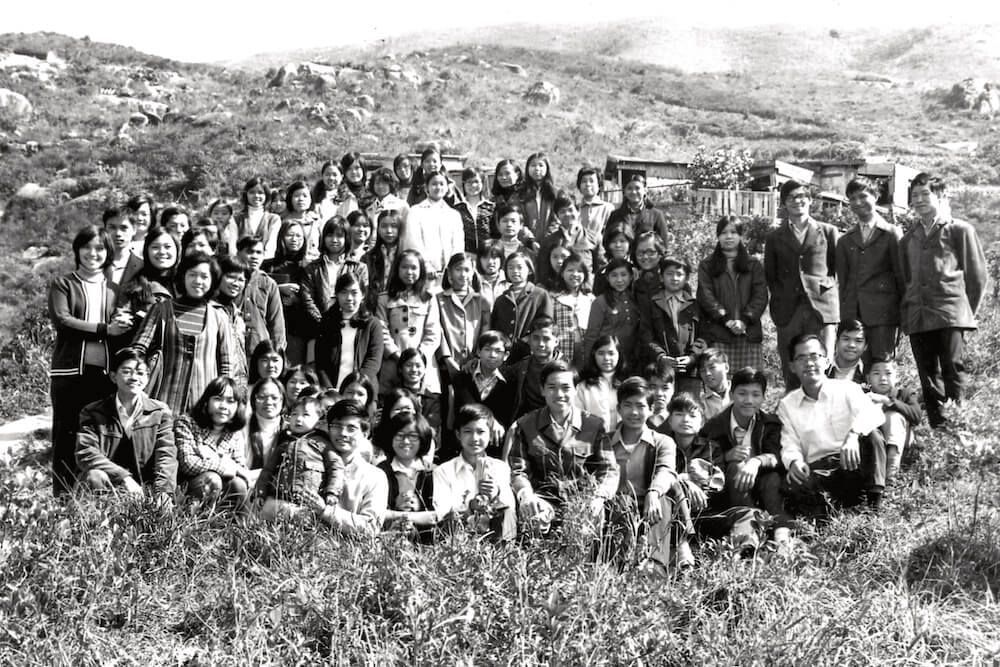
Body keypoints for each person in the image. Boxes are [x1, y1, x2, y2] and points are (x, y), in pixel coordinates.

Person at [899, 172, 989, 428]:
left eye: (925, 194)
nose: (918, 200)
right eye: (914, 195)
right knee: (928, 378)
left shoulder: (960, 230)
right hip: (919, 317)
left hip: (950, 315)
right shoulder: (908, 238)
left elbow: (977, 278)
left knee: (953, 373)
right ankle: (939, 431)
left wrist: (963, 314)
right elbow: (906, 279)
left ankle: (958, 432)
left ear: (940, 196)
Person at [48, 225, 123, 495]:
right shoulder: (63, 283)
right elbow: (64, 321)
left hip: (103, 376)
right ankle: (62, 499)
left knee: (98, 437)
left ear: (108, 252)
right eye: (87, 247)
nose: (93, 253)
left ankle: (96, 499)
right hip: (70, 374)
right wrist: (105, 328)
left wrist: (122, 323)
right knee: (66, 436)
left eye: (100, 248)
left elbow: (118, 327)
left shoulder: (114, 289)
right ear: (77, 250)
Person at [778, 334, 887, 516]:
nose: (809, 363)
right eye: (801, 358)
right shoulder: (787, 404)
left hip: (851, 463)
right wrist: (794, 461)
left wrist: (853, 435)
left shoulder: (847, 388)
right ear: (792, 367)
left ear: (827, 362)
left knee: (873, 436)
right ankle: (830, 515)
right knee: (790, 484)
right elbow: (789, 442)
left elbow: (874, 414)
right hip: (819, 470)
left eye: (814, 356)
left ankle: (874, 508)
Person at [505, 359, 620, 531]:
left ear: (575, 390)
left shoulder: (593, 425)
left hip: (583, 502)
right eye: (552, 387)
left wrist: (598, 498)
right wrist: (527, 495)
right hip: (541, 501)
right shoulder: (526, 425)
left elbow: (608, 469)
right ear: (542, 390)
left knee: (586, 527)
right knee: (534, 520)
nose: (559, 394)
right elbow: (518, 470)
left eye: (566, 388)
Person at [130, 252, 234, 417]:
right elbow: (137, 350)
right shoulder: (162, 309)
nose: (198, 281)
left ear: (213, 281)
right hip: (161, 403)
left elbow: (226, 366)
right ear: (182, 276)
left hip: (203, 406)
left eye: (204, 276)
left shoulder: (219, 317)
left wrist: (223, 401)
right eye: (192, 274)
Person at [764, 180, 840, 389]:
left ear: (810, 201)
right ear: (784, 204)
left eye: (801, 197)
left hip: (821, 310)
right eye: (791, 198)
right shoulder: (774, 237)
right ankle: (793, 419)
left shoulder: (829, 232)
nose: (797, 201)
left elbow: (835, 271)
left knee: (824, 368)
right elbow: (771, 275)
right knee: (793, 372)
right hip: (788, 312)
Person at [75, 348, 176, 502]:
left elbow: (166, 454)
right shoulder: (93, 412)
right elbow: (86, 453)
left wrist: (163, 492)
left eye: (140, 373)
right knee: (95, 475)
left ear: (147, 378)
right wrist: (124, 477)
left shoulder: (159, 412)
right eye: (127, 371)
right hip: (108, 486)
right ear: (114, 377)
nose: (134, 377)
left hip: (144, 490)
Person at [699, 367, 788, 541]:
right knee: (736, 466)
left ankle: (780, 530)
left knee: (772, 478)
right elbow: (703, 459)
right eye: (742, 393)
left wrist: (756, 462)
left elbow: (777, 456)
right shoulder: (714, 426)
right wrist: (725, 457)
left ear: (763, 397)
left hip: (764, 483)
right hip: (730, 491)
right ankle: (748, 531)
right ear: (731, 394)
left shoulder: (770, 424)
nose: (749, 400)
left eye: (756, 395)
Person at [602, 377, 678, 571]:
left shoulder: (663, 441)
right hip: (615, 508)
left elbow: (666, 470)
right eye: (628, 405)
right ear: (619, 409)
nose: (634, 412)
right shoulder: (605, 441)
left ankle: (655, 566)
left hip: (649, 506)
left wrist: (654, 492)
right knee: (623, 504)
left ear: (651, 409)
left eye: (640, 406)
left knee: (663, 500)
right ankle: (618, 566)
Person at [835, 177, 904, 364]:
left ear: (875, 196)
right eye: (852, 198)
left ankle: (882, 395)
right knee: (857, 369)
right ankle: (864, 394)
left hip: (884, 316)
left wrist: (902, 317)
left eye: (863, 196)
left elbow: (902, 278)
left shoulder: (891, 234)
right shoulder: (845, 241)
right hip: (854, 317)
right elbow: (844, 284)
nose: (858, 203)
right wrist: (845, 319)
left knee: (881, 366)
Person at [434, 404, 517, 541]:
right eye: (467, 431)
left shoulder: (500, 468)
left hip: (495, 535)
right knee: (451, 517)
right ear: (458, 435)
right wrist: (470, 506)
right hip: (460, 537)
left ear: (490, 435)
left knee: (506, 512)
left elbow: (510, 508)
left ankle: (502, 556)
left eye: (481, 432)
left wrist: (495, 494)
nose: (474, 438)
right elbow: (442, 511)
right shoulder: (443, 471)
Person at [256, 394, 344, 522]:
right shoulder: (284, 444)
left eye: (306, 415)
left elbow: (336, 467)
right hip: (280, 498)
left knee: (305, 527)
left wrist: (332, 492)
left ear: (319, 420)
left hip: (309, 500)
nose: (298, 419)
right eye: (294, 414)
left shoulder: (322, 444)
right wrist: (260, 493)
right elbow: (268, 470)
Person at [696, 216, 768, 372]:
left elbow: (760, 295)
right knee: (719, 383)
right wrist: (726, 319)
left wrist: (744, 320)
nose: (728, 236)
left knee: (750, 381)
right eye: (723, 232)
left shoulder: (753, 264)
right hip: (719, 334)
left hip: (748, 334)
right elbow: (705, 295)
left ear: (741, 236)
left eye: (733, 232)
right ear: (718, 236)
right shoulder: (707, 265)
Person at [175, 376, 251, 511]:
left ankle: (238, 528)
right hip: (189, 489)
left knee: (239, 484)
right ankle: (195, 525)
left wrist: (212, 456)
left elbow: (240, 469)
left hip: (222, 493)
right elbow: (188, 464)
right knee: (212, 479)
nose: (223, 406)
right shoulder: (186, 423)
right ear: (207, 401)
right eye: (218, 399)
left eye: (230, 401)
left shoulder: (234, 434)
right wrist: (224, 467)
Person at [317, 399, 389, 536]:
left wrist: (325, 511)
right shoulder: (313, 465)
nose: (343, 433)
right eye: (337, 426)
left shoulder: (375, 476)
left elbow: (370, 528)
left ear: (365, 434)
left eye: (351, 428)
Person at [376, 249, 442, 397]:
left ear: (421, 271)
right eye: (404, 267)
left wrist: (417, 359)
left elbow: (433, 333)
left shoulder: (428, 299)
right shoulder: (384, 299)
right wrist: (398, 357)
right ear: (397, 269)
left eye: (414, 268)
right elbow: (382, 331)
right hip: (393, 366)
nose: (409, 272)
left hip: (421, 368)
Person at [639, 256, 705, 396]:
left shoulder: (695, 305)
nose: (674, 278)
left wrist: (692, 357)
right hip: (660, 373)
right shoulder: (652, 304)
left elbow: (704, 336)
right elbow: (645, 335)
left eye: (679, 274)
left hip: (689, 372)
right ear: (662, 277)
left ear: (686, 278)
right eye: (669, 273)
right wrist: (660, 356)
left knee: (686, 409)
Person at [300, 216, 370, 343]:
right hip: (318, 330)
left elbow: (361, 298)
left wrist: (345, 322)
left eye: (339, 236)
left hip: (350, 329)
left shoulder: (359, 268)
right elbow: (307, 299)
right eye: (330, 235)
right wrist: (323, 323)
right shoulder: (312, 268)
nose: (334, 240)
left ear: (347, 238)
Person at [315, 272, 384, 391]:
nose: (349, 298)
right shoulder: (327, 322)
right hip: (331, 392)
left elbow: (373, 361)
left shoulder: (372, 324)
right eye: (344, 292)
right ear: (337, 295)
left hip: (362, 392)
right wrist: (329, 389)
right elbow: (320, 362)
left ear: (363, 294)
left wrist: (354, 387)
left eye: (354, 292)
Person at [114, 225, 178, 351]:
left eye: (168, 247)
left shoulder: (186, 282)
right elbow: (122, 314)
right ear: (146, 251)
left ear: (177, 249)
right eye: (155, 247)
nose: (162, 252)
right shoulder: (135, 284)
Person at [377, 412, 439, 541]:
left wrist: (406, 514)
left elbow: (439, 514)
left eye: (412, 436)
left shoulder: (433, 472)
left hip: (427, 542)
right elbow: (376, 512)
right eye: (399, 435)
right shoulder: (380, 471)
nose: (406, 441)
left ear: (422, 438)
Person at [401, 171, 464, 288]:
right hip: (425, 273)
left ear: (447, 188)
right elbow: (412, 242)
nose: (438, 187)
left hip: (449, 275)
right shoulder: (416, 211)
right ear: (427, 188)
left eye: (442, 184)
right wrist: (426, 266)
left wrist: (453, 268)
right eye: (434, 184)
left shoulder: (453, 214)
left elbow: (458, 244)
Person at [451, 330, 516, 439]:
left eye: (498, 351)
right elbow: (464, 407)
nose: (492, 355)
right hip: (466, 439)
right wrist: (490, 420)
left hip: (496, 441)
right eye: (487, 349)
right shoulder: (463, 377)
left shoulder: (511, 381)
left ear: (506, 355)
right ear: (478, 352)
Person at [490, 251, 553, 363]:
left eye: (519, 267)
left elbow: (546, 323)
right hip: (504, 355)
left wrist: (527, 340)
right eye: (510, 267)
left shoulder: (540, 294)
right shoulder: (501, 299)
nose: (515, 271)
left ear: (529, 270)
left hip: (530, 353)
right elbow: (494, 327)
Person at [437, 252, 490, 382]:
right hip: (446, 365)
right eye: (458, 269)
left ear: (472, 272)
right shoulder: (439, 300)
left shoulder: (481, 300)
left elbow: (486, 330)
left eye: (467, 270)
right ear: (449, 273)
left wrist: (477, 357)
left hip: (475, 365)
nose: (463, 274)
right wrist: (447, 358)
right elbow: (437, 331)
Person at [866, 357, 921, 482]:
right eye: (876, 373)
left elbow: (916, 416)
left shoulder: (905, 394)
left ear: (896, 377)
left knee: (893, 417)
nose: (883, 378)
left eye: (888, 373)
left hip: (901, 443)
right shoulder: (865, 396)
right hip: (874, 444)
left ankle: (891, 476)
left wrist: (888, 402)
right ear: (868, 378)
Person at [262, 221, 309, 364]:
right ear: (281, 237)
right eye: (290, 235)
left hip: (297, 329)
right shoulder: (268, 265)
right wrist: (279, 288)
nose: (294, 239)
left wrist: (297, 300)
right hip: (271, 326)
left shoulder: (308, 266)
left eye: (299, 236)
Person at [582, 258, 639, 371]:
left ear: (631, 276)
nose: (619, 280)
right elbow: (591, 335)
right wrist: (589, 363)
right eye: (614, 275)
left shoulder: (636, 300)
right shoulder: (600, 302)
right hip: (607, 359)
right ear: (607, 278)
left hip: (631, 360)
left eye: (624, 275)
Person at [536, 194, 602, 290]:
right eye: (562, 211)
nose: (567, 214)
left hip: (586, 291)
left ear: (578, 211)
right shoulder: (548, 241)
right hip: (556, 291)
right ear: (557, 215)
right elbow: (543, 272)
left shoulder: (593, 238)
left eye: (570, 210)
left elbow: (600, 268)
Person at [503, 316, 562, 421]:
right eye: (536, 338)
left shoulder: (565, 370)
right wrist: (476, 363)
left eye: (546, 339)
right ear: (529, 340)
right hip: (528, 422)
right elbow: (497, 374)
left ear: (556, 341)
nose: (541, 344)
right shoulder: (523, 366)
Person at [235, 236, 287, 356]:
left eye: (259, 252)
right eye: (249, 251)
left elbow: (276, 323)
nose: (254, 256)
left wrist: (278, 352)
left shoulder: (268, 283)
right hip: (233, 346)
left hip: (258, 349)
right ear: (238, 253)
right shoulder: (230, 280)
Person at [550, 251, 594, 368]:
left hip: (586, 349)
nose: (575, 274)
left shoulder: (590, 299)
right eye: (570, 270)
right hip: (562, 349)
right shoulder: (553, 298)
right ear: (562, 273)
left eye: (579, 271)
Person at [574, 335, 626, 433]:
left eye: (611, 353)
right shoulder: (583, 387)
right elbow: (577, 418)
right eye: (601, 353)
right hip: (591, 441)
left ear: (619, 355)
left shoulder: (626, 385)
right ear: (594, 355)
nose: (606, 358)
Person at [606, 174, 669, 245]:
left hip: (647, 255)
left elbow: (664, 243)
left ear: (645, 190)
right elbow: (607, 240)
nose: (633, 192)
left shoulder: (656, 215)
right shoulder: (615, 215)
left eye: (637, 188)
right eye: (629, 188)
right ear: (624, 192)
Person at [245, 377, 285, 484]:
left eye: (274, 397)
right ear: (254, 400)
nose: (268, 402)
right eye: (262, 397)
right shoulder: (243, 425)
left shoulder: (289, 428)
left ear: (282, 400)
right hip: (246, 482)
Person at [364, 209, 403, 314]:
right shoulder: (369, 257)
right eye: (384, 226)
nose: (389, 231)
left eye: (394, 226)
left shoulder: (405, 257)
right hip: (374, 308)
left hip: (398, 307)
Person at [232, 177, 282, 260]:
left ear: (266, 195)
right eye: (252, 192)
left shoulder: (274, 219)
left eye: (260, 192)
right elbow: (232, 247)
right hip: (239, 264)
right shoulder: (236, 218)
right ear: (246, 194)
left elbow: (271, 246)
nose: (256, 196)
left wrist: (259, 261)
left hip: (265, 264)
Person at [102, 207, 143, 296]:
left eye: (124, 228)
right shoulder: (94, 264)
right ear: (104, 229)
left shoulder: (142, 268)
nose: (118, 234)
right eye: (112, 227)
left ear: (134, 230)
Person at [454, 167, 494, 253]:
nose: (473, 185)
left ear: (482, 183)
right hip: (465, 256)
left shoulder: (491, 208)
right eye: (469, 182)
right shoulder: (457, 209)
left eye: (476, 181)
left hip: (487, 255)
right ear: (463, 184)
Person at [520, 152, 559, 240]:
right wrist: (530, 239)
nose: (537, 169)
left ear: (547, 169)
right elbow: (518, 219)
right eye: (533, 165)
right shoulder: (520, 193)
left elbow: (557, 219)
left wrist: (548, 238)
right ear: (527, 168)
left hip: (550, 242)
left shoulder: (555, 193)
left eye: (541, 165)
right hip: (525, 242)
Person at [282, 181, 322, 263]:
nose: (301, 199)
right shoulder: (283, 221)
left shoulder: (316, 221)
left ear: (311, 199)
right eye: (296, 196)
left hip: (314, 265)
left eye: (305, 196)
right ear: (290, 199)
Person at [365, 167, 410, 240]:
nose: (380, 186)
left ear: (391, 184)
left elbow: (407, 231)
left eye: (384, 183)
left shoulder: (401, 205)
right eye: (377, 183)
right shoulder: (369, 209)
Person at [576, 166, 614, 239]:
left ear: (599, 185)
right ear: (579, 185)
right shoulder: (575, 208)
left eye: (591, 181)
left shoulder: (608, 208)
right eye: (584, 181)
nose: (588, 184)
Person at [825, 320, 867, 384]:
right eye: (846, 339)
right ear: (836, 341)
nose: (851, 345)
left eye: (858, 341)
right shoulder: (823, 368)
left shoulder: (869, 372)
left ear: (865, 346)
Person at [698, 348, 731, 420]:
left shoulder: (742, 393)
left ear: (726, 367)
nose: (707, 373)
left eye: (712, 367)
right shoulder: (699, 401)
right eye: (703, 370)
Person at [642, 361, 675, 429]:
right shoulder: (634, 419)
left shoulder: (678, 422)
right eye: (653, 387)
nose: (659, 393)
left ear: (673, 389)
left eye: (665, 388)